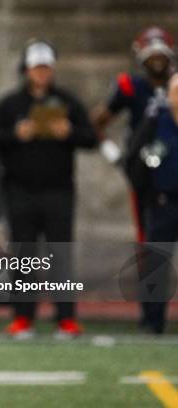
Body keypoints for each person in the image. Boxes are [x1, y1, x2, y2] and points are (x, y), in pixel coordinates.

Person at [0, 39, 97, 339]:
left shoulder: (68, 101)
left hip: (59, 191)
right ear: (26, 69)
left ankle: (66, 318)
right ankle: (23, 318)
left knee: (61, 253)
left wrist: (69, 132)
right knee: (24, 254)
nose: (41, 73)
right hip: (19, 190)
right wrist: (16, 133)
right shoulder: (10, 104)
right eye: (36, 67)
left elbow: (90, 137)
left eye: (46, 68)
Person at [91, 26, 176, 243]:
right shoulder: (131, 87)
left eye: (161, 55)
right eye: (151, 55)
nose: (157, 60)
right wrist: (115, 155)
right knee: (148, 233)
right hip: (145, 168)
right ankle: (152, 275)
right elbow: (96, 123)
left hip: (175, 164)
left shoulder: (175, 84)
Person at [125, 73, 178, 334]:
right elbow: (133, 158)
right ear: (168, 96)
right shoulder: (156, 122)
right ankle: (151, 320)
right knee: (155, 262)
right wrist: (147, 193)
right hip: (163, 202)